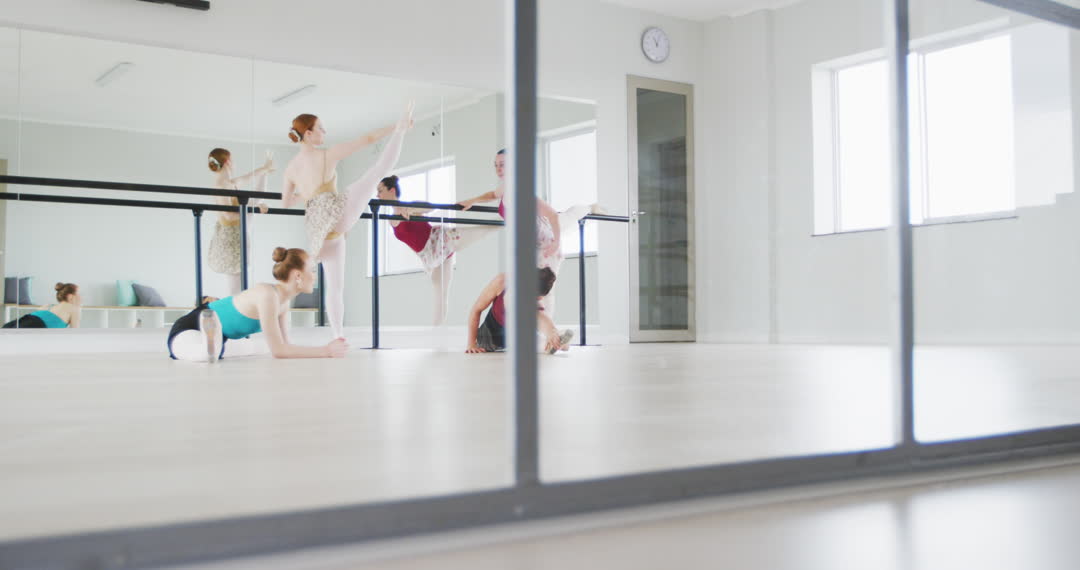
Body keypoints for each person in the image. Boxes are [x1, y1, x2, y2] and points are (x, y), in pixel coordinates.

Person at [281, 103, 414, 338]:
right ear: (308, 134)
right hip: (336, 215)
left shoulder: (290, 169)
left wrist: (308, 194)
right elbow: (367, 139)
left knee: (334, 288)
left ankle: (338, 336)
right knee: (378, 170)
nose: (325, 132)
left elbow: (285, 203)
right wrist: (397, 126)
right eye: (320, 128)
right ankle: (400, 133)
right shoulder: (326, 155)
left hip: (317, 232)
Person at [457, 148, 603, 317]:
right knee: (567, 219)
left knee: (544, 291)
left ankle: (547, 331)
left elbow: (552, 215)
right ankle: (590, 208)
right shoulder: (506, 188)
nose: (498, 169)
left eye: (502, 164)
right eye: (496, 165)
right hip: (533, 243)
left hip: (546, 244)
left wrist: (556, 243)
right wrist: (472, 201)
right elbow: (492, 194)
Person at [166, 247, 348, 361]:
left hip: (222, 337)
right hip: (189, 328)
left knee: (256, 348)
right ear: (298, 275)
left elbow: (286, 347)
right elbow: (279, 351)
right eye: (312, 271)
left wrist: (327, 350)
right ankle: (211, 337)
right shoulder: (268, 294)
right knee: (202, 355)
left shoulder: (283, 303)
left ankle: (214, 342)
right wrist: (326, 351)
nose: (315, 277)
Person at [377, 174, 498, 325]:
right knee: (440, 295)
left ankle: (505, 220)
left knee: (479, 231)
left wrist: (410, 210)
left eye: (380, 190)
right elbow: (409, 239)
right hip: (429, 256)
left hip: (440, 239)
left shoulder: (410, 206)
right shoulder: (391, 219)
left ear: (392, 190)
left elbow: (430, 207)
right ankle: (436, 332)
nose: (377, 195)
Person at [206, 147, 273, 295]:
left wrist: (265, 168)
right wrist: (253, 209)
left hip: (236, 233)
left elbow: (247, 177)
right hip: (230, 237)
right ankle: (235, 308)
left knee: (237, 284)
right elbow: (228, 215)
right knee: (235, 287)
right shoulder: (222, 185)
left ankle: (239, 306)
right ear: (228, 162)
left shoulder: (229, 183)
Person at [465, 268, 573, 354]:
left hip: (519, 334)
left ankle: (557, 341)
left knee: (540, 337)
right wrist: (471, 344)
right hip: (492, 334)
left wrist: (551, 331)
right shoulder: (502, 281)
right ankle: (554, 341)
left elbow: (541, 317)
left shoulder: (535, 298)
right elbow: (476, 309)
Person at [2, 282, 81, 329]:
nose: (81, 297)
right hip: (36, 324)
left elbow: (40, 314)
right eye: (79, 294)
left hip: (27, 318)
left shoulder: (51, 306)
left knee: (5, 333)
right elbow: (74, 333)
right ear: (70, 297)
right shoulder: (74, 308)